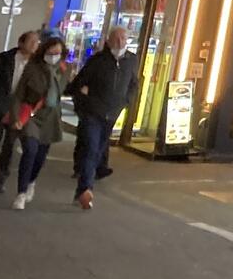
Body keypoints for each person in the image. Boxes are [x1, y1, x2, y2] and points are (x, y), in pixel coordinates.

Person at [68, 24, 137, 208]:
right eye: (117, 38)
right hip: (93, 113)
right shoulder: (97, 60)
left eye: (123, 39)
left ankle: (81, 190)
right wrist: (85, 103)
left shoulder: (131, 60)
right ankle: (85, 190)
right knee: (91, 148)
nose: (120, 42)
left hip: (112, 114)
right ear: (108, 41)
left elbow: (134, 83)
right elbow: (78, 84)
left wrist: (126, 101)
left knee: (98, 150)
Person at [9, 33, 67, 209]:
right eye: (51, 53)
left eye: (58, 53)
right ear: (44, 52)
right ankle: (21, 193)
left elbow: (64, 90)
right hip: (32, 116)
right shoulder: (32, 68)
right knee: (31, 150)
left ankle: (32, 181)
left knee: (41, 155)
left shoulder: (63, 70)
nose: (54, 56)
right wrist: (16, 117)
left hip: (51, 118)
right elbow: (19, 94)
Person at [0, 30, 38, 196]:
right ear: (21, 43)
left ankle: (1, 178)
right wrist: (1, 108)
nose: (35, 45)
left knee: (9, 146)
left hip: (18, 110)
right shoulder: (4, 59)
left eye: (37, 42)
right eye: (31, 41)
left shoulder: (36, 65)